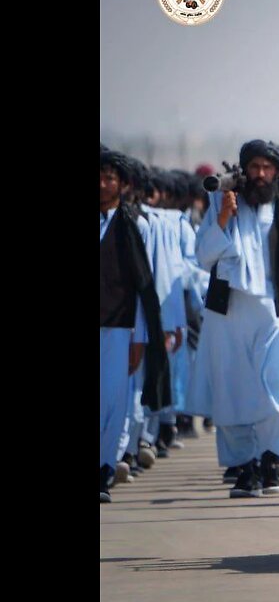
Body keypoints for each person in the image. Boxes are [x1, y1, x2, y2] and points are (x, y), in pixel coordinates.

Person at [192, 140, 279, 498]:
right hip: (229, 311)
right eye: (254, 167)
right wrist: (223, 218)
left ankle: (273, 459)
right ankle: (244, 467)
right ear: (244, 170)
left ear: (278, 172)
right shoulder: (221, 202)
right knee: (231, 391)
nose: (260, 174)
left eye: (267, 168)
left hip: (275, 312)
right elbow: (203, 257)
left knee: (276, 389)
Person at [100, 150, 168, 502]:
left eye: (109, 178)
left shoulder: (133, 225)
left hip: (119, 326)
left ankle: (104, 469)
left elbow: (144, 285)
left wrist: (140, 337)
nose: (102, 184)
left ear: (122, 184)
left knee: (112, 401)